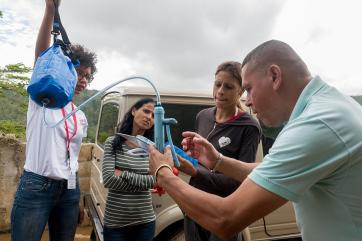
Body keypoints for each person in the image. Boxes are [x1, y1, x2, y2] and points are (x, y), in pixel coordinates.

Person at [148, 40, 362, 241]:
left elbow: (226, 219)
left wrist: (163, 173)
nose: (247, 101)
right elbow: (268, 169)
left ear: (275, 76)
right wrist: (218, 161)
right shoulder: (329, 106)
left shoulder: (316, 124)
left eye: (248, 89)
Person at [10, 1, 97, 241]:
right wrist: (50, 11)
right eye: (78, 74)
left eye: (87, 77)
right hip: (36, 187)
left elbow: (72, 159)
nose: (83, 81)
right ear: (64, 72)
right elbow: (40, 59)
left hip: (68, 190)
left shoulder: (79, 116)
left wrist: (76, 196)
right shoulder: (43, 100)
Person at [180, 61, 260, 241]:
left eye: (229, 86)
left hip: (223, 212)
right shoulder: (203, 116)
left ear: (240, 91)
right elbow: (199, 161)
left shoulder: (249, 126)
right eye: (217, 84)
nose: (220, 91)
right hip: (194, 205)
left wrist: (195, 171)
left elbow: (242, 181)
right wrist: (187, 156)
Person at [102, 98, 156, 241]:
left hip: (145, 222)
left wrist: (123, 173)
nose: (149, 117)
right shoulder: (113, 142)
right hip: (115, 223)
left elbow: (155, 182)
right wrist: (144, 183)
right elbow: (108, 180)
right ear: (133, 111)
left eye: (154, 115)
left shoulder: (153, 149)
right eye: (146, 111)